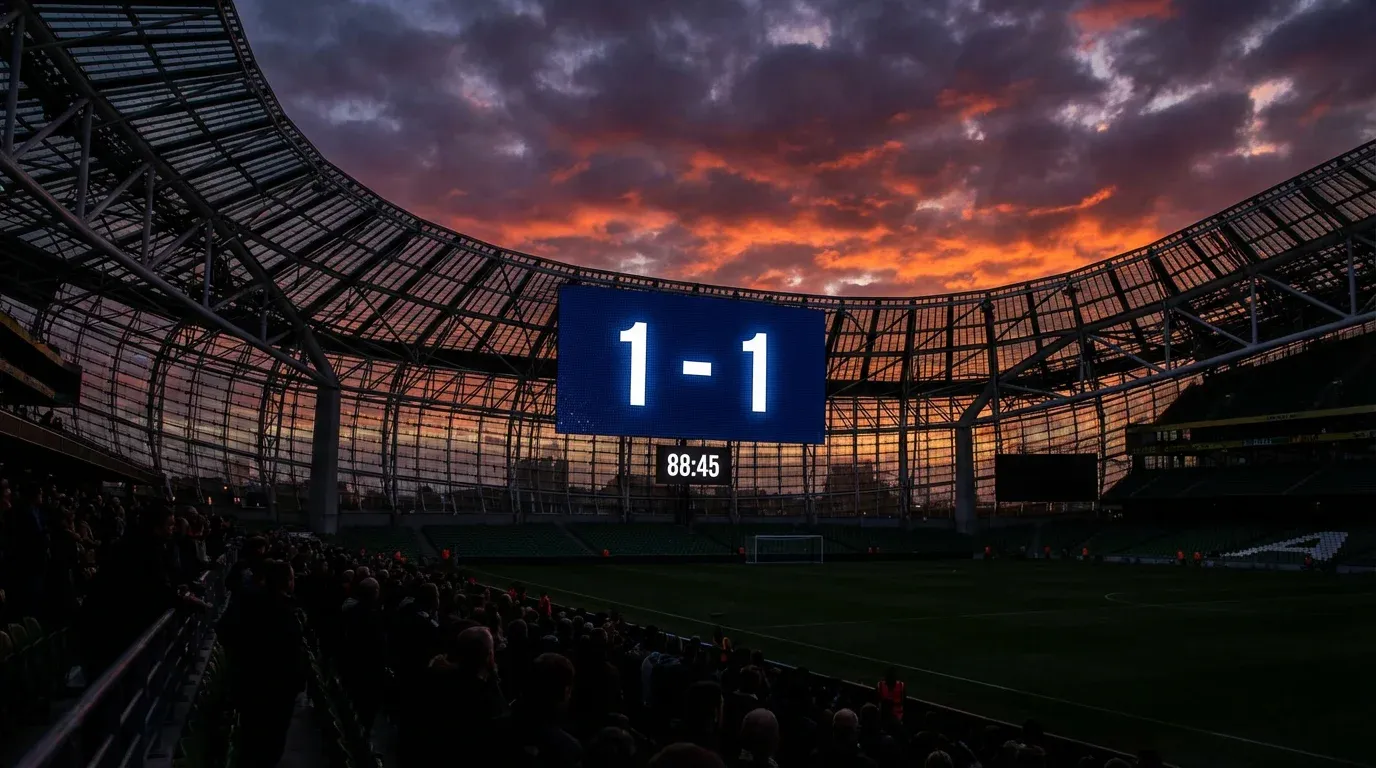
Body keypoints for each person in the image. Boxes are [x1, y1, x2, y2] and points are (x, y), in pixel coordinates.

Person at [222, 559, 305, 767]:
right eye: (292, 578)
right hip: (275, 690)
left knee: (252, 743)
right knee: (269, 747)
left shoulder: (248, 601)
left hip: (250, 683)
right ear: (286, 582)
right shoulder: (283, 611)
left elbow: (224, 630)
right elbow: (291, 652)